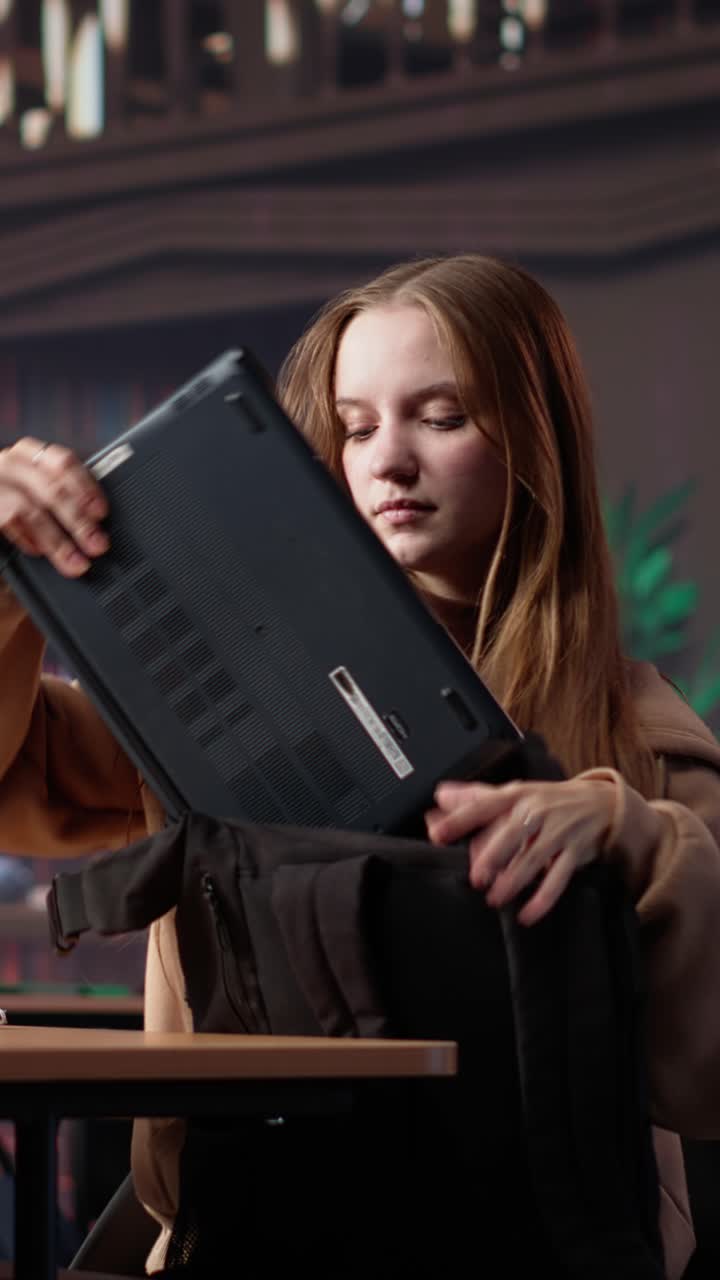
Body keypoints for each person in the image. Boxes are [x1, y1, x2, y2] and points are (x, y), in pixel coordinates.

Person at [0, 254, 719, 1277]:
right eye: (355, 424)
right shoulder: (234, 695)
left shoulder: (634, 730)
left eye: (441, 415)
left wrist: (632, 837)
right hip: (233, 1240)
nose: (389, 460)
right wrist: (7, 579)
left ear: (535, 437)